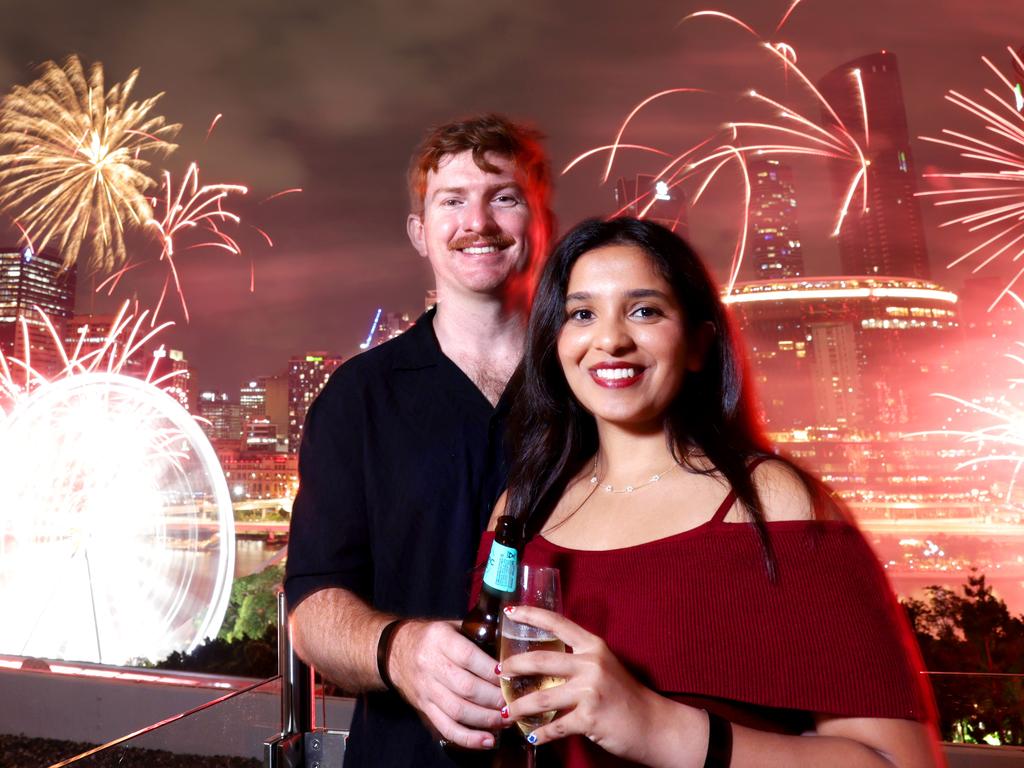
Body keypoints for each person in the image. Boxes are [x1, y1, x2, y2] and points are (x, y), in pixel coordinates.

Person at [475, 217, 943, 767]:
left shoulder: (775, 505)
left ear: (698, 344)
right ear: (555, 345)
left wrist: (659, 727)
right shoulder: (521, 510)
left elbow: (900, 762)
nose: (610, 340)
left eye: (644, 310)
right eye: (582, 314)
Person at [284, 114, 554, 766]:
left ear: (540, 223)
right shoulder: (357, 400)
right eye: (452, 201)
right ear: (419, 232)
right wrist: (399, 650)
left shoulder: (592, 386)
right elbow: (312, 607)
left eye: (505, 197)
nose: (478, 222)